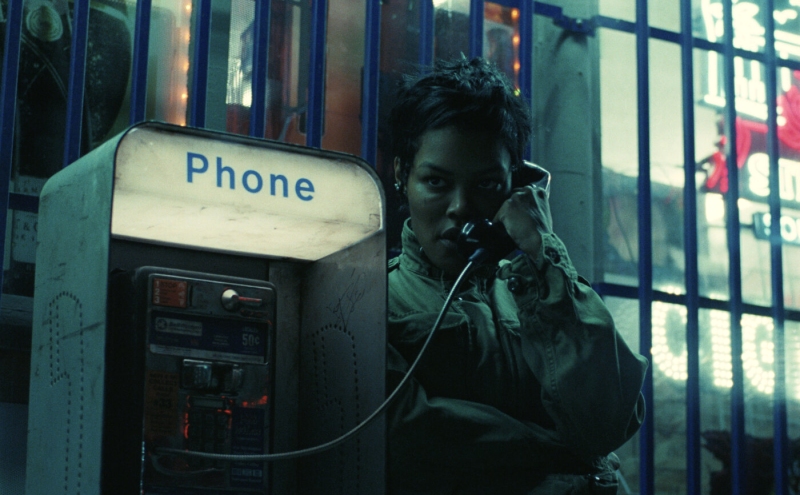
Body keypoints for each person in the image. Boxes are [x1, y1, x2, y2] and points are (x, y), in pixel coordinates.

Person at [385, 56, 648, 494]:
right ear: (402, 174)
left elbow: (608, 420)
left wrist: (543, 253)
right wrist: (564, 453)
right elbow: (410, 434)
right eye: (436, 182)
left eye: (486, 185)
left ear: (517, 184)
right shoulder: (374, 301)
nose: (460, 207)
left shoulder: (538, 291)